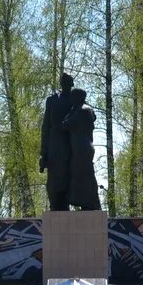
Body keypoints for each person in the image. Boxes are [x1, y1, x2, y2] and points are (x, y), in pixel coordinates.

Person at [39, 72, 77, 210]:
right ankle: (55, 207)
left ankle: (64, 207)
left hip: (70, 145)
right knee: (54, 180)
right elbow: (45, 127)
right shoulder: (52, 101)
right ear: (62, 84)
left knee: (68, 179)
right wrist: (44, 152)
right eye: (66, 83)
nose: (68, 86)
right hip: (55, 145)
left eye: (70, 84)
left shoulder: (75, 101)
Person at [62, 88, 101, 212]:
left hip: (81, 148)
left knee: (84, 175)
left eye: (73, 97)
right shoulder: (87, 110)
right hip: (83, 147)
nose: (71, 100)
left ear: (78, 98)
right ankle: (88, 203)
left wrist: (71, 111)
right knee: (82, 174)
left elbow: (65, 124)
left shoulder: (81, 111)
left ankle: (91, 203)